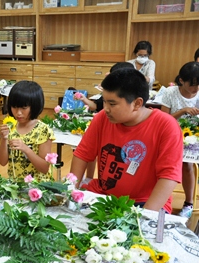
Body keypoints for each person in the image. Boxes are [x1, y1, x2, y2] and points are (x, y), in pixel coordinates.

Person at [70, 68, 183, 214]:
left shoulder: (166, 126)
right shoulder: (101, 119)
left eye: (112, 104)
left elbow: (168, 176)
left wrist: (144, 216)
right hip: (104, 196)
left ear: (137, 103)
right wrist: (71, 192)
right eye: (104, 102)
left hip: (145, 202)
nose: (106, 109)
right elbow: (82, 155)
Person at [160, 61, 199, 218]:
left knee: (187, 165)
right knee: (165, 166)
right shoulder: (170, 92)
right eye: (192, 85)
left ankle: (188, 203)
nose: (195, 89)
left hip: (193, 136)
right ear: (181, 80)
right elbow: (164, 119)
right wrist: (182, 111)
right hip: (172, 133)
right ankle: (162, 201)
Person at [0, 80, 55, 182]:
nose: (18, 113)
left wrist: (26, 149)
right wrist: (4, 139)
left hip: (37, 189)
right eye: (14, 107)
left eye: (24, 108)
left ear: (35, 106)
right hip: (15, 186)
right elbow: (2, 162)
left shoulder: (43, 130)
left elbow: (45, 168)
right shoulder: (11, 127)